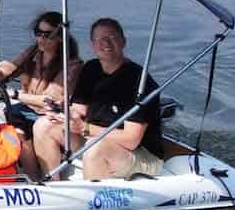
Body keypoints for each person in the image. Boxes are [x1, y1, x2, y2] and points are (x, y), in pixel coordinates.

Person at [32, 17, 165, 180]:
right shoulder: (91, 68)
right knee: (43, 125)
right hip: (94, 138)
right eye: (99, 39)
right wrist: (64, 114)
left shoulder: (140, 81)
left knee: (95, 149)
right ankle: (53, 184)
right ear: (92, 44)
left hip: (140, 154)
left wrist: (84, 128)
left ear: (123, 41)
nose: (106, 44)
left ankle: (92, 201)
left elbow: (131, 140)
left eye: (111, 38)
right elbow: (80, 110)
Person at [0, 10, 81, 111]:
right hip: (25, 107)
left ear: (61, 37)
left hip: (49, 116)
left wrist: (15, 94)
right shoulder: (32, 52)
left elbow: (51, 100)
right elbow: (11, 68)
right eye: (38, 33)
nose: (41, 39)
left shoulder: (72, 65)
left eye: (48, 35)